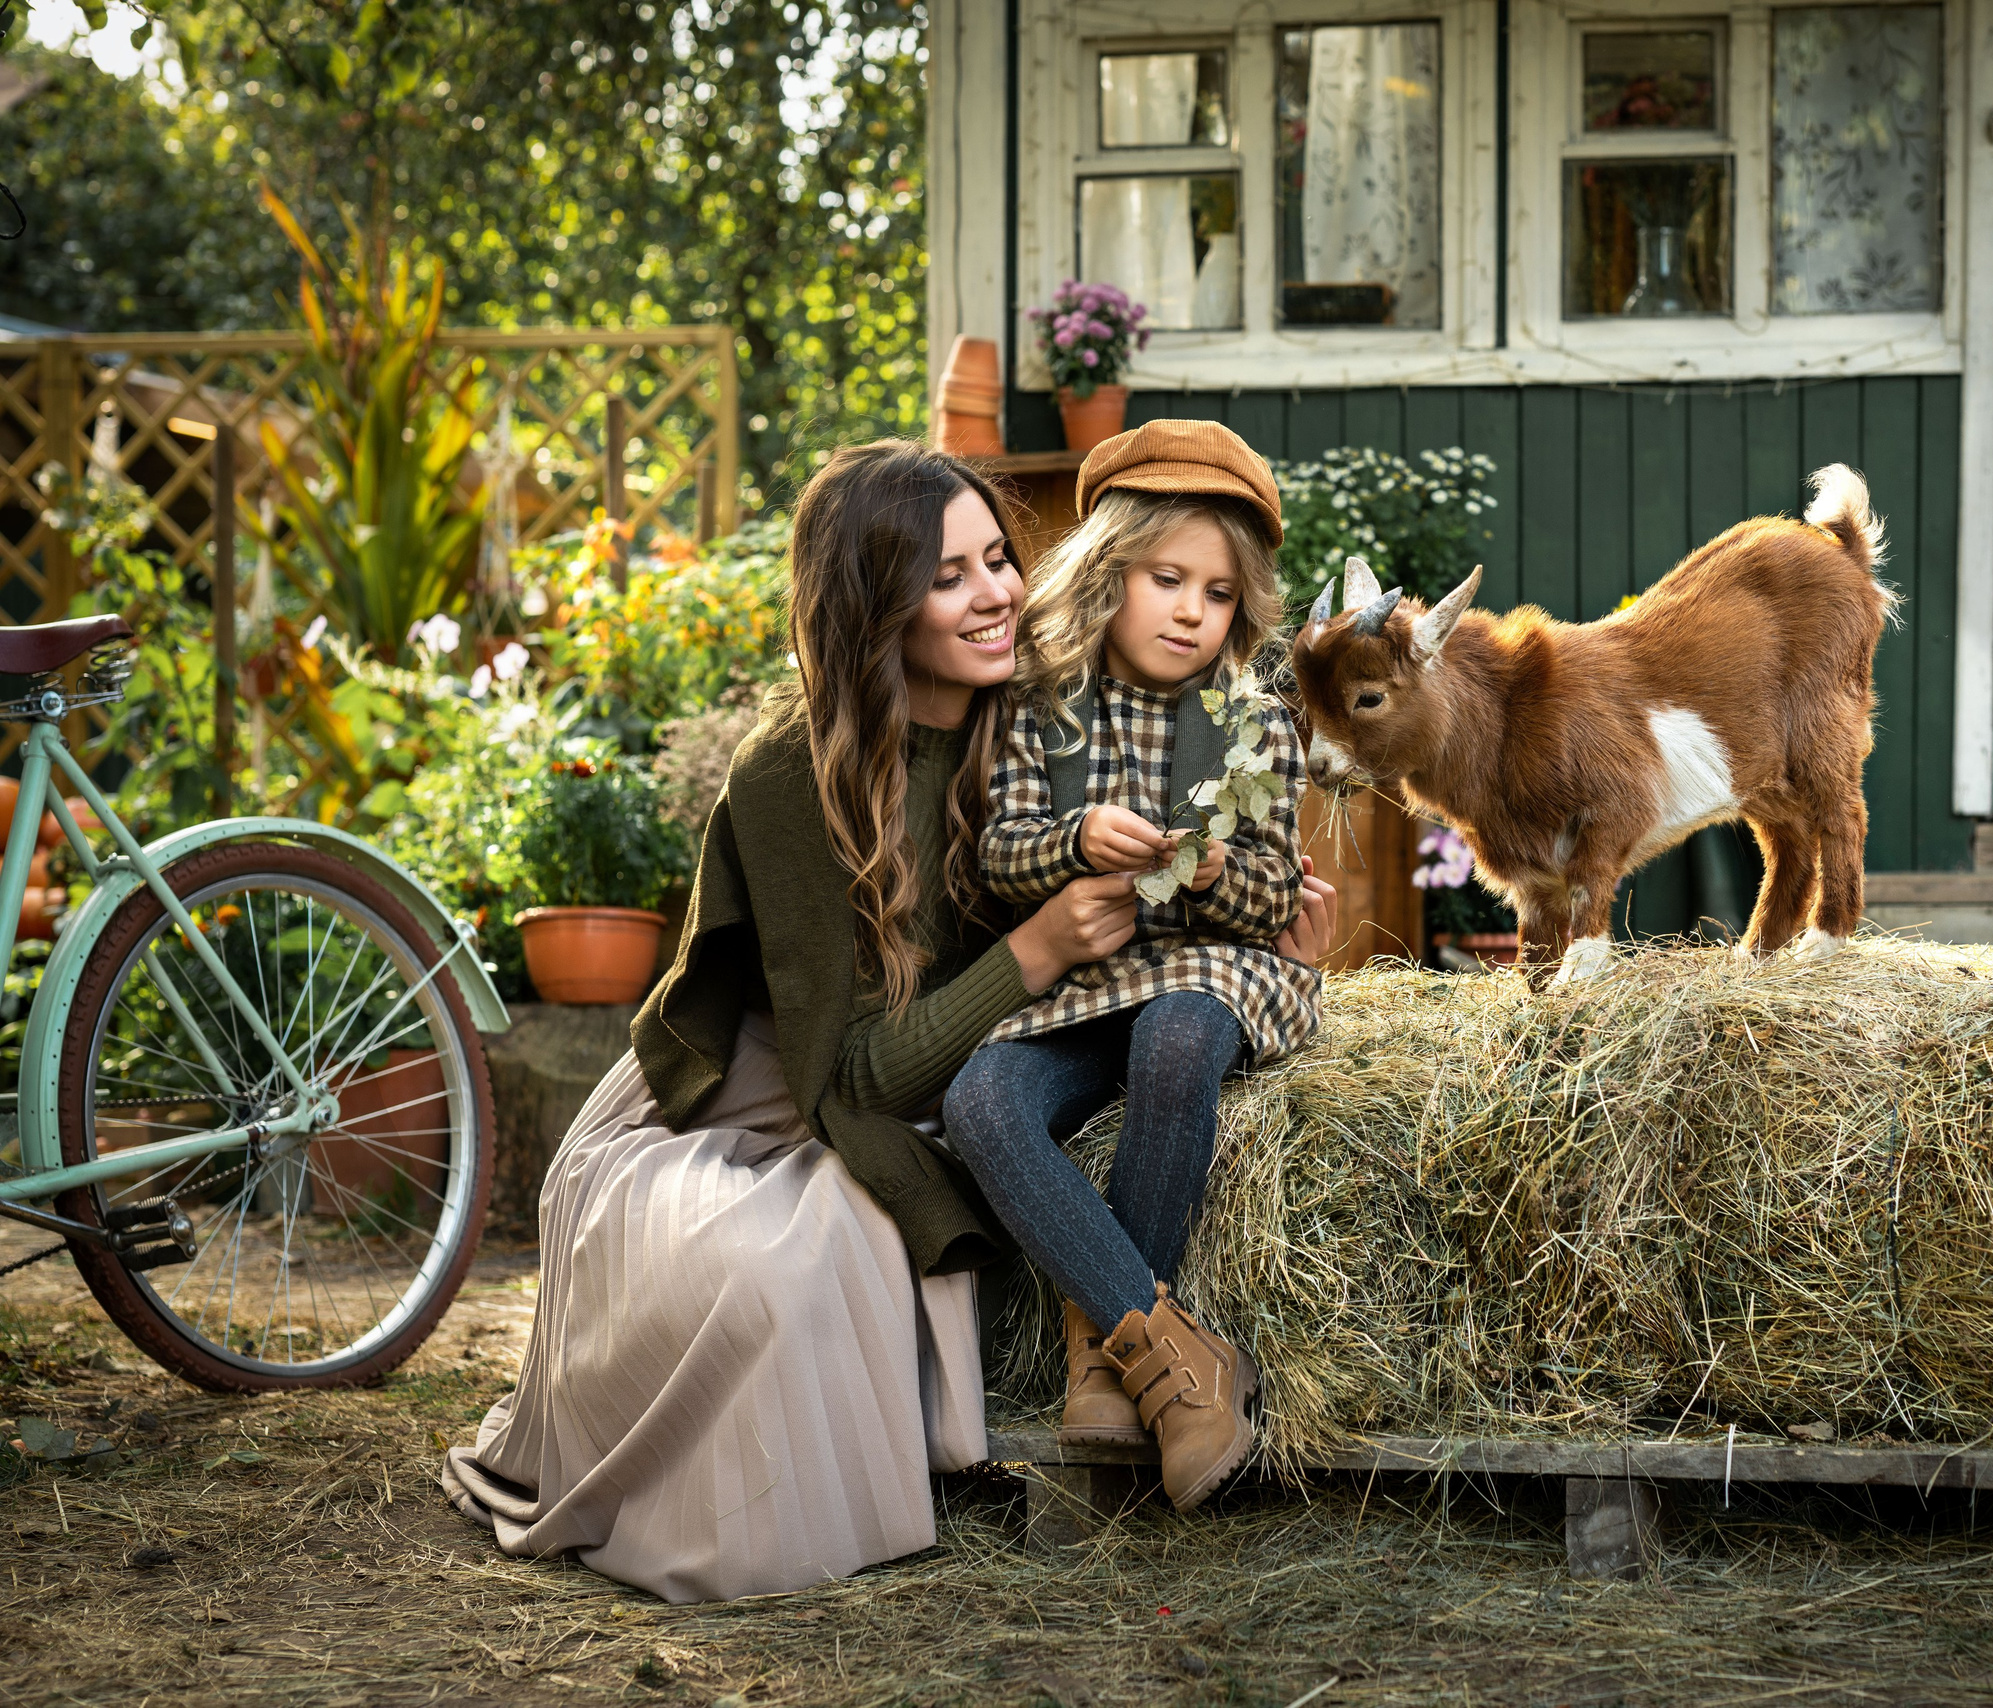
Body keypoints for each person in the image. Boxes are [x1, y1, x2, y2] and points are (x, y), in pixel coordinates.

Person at [440, 438, 1339, 1602]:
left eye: (999, 561)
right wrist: (1037, 948)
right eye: (951, 576)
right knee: (794, 1268)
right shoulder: (789, 779)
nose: (998, 594)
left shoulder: (1035, 711)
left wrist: (1271, 941)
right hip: (762, 1101)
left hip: (964, 1049)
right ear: (877, 607)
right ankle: (1138, 1354)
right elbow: (853, 1083)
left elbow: (1194, 880)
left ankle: (1140, 1350)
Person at [942, 420, 1319, 1515]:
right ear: (1110, 570)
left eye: (1216, 592)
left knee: (1180, 1037)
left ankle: (1108, 1368)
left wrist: (1199, 873)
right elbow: (998, 852)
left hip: (1206, 971)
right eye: (1168, 578)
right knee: (981, 1102)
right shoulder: (1039, 705)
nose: (1192, 609)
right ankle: (1173, 1359)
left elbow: (1271, 894)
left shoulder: (1254, 722)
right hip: (1080, 984)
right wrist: (1075, 844)